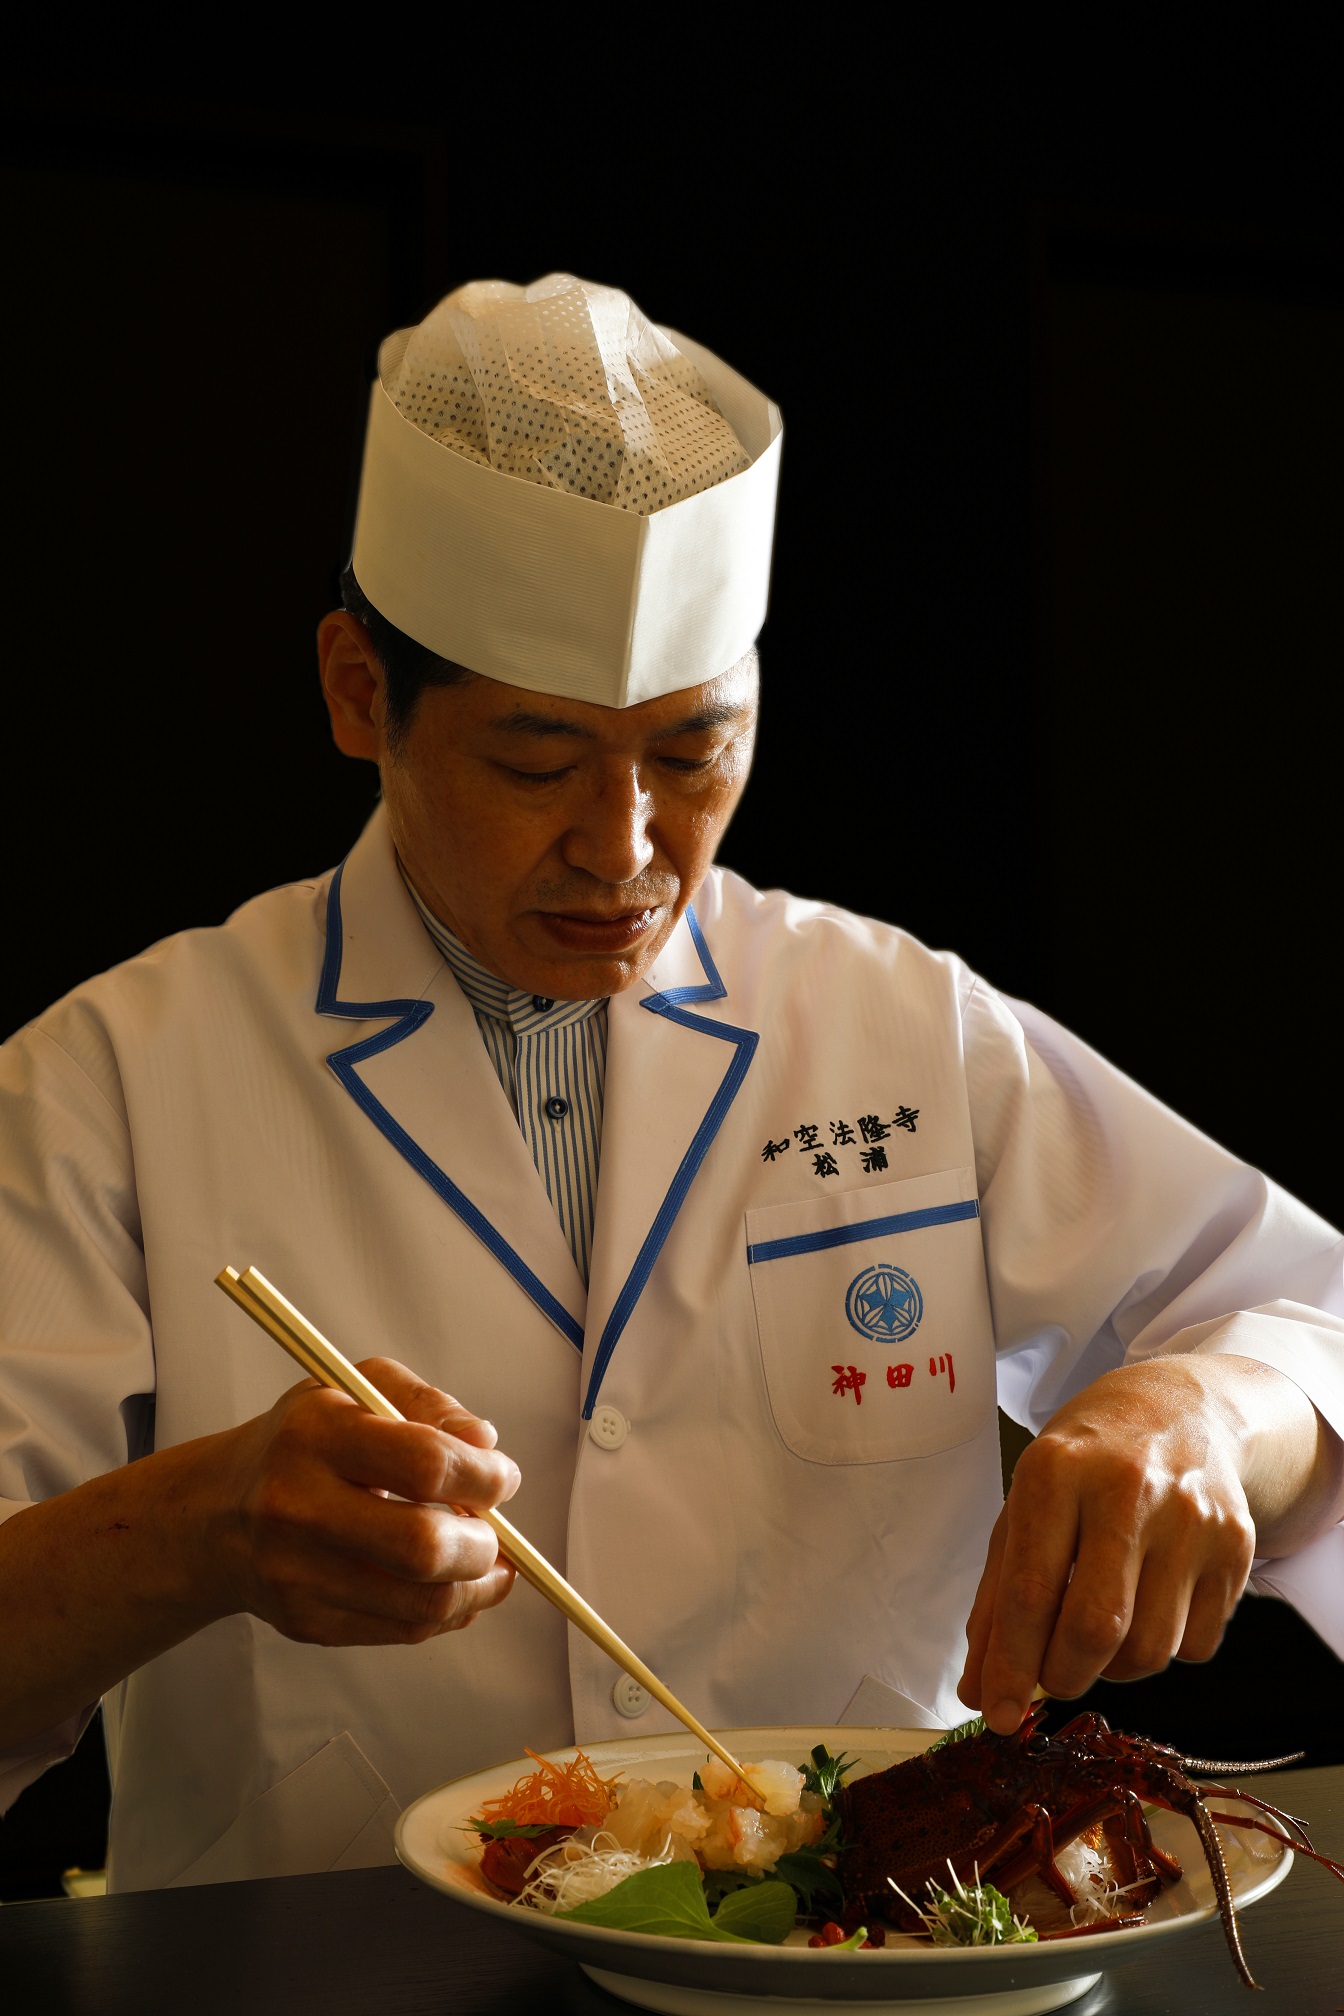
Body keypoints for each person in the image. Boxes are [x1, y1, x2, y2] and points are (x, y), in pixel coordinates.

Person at [1, 274, 1341, 1892]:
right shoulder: (116, 1079)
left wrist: (1203, 1407)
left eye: (696, 754)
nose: (626, 850)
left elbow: (1309, 1328)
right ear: (361, 692)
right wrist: (206, 1526)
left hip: (859, 1970)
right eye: (535, 762)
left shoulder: (898, 1024)